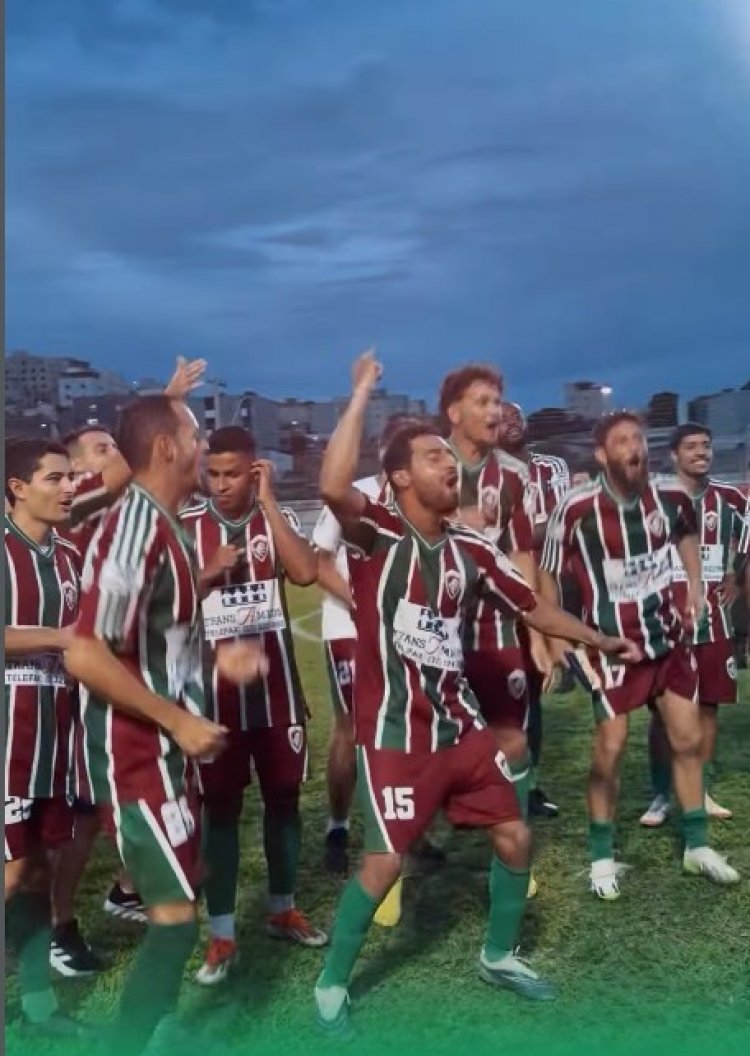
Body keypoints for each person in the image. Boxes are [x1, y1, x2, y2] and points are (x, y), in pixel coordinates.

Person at [313, 353, 641, 1036]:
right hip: (398, 735)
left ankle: (497, 955)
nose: (447, 465)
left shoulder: (472, 551)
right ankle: (331, 987)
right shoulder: (377, 536)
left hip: (460, 729)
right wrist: (362, 393)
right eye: (432, 456)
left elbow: (534, 609)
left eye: (447, 457)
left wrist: (595, 639)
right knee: (381, 864)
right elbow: (333, 482)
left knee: (515, 835)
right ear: (401, 478)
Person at [65, 395, 265, 1055]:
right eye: (196, 435)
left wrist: (214, 656)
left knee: (187, 892)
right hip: (133, 756)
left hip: (167, 754)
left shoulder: (172, 531)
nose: (205, 448)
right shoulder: (135, 530)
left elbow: (151, 644)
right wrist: (178, 718)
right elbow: (87, 651)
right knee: (177, 921)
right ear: (166, 448)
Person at [50, 358, 210, 976]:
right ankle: (60, 928)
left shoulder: (146, 519)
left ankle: (118, 893)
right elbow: (87, 650)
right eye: (95, 451)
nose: (107, 459)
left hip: (133, 710)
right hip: (103, 716)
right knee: (63, 824)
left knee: (98, 822)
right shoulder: (113, 522)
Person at [539, 412, 741, 899]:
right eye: (621, 441)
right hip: (612, 647)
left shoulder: (671, 495)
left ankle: (696, 846)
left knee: (688, 739)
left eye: (638, 438)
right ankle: (602, 857)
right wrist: (553, 636)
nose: (634, 447)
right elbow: (546, 568)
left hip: (667, 640)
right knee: (609, 752)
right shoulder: (577, 507)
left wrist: (693, 585)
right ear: (604, 456)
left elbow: (687, 533)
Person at [181, 426, 327, 987]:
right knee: (219, 812)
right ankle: (221, 934)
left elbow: (306, 573)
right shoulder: (188, 527)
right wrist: (207, 574)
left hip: (278, 695)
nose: (220, 485)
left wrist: (269, 504)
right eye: (212, 474)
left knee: (284, 800)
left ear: (255, 470)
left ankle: (282, 907)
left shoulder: (273, 518)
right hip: (214, 701)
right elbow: (166, 600)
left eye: (232, 474)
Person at [439, 365, 548, 894]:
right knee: (420, 748)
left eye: (498, 401)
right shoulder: (423, 463)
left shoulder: (510, 476)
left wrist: (540, 633)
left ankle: (512, 852)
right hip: (431, 631)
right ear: (454, 412)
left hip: (494, 628)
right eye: (482, 401)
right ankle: (402, 851)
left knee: (514, 740)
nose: (495, 411)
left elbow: (523, 552)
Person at [312, 414, 421, 876]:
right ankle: (338, 826)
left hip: (407, 632)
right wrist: (363, 603)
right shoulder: (351, 493)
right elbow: (319, 562)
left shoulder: (424, 502)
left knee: (411, 723)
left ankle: (407, 827)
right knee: (352, 727)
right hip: (350, 630)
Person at [5, 438, 85, 1038]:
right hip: (8, 741)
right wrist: (62, 637)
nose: (68, 487)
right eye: (55, 478)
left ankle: (37, 1007)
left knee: (36, 872)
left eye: (70, 478)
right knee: (9, 877)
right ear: (17, 487)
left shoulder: (68, 555)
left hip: (56, 740)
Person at [641, 424, 749, 826]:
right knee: (661, 713)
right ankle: (661, 794)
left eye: (706, 445)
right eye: (691, 447)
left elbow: (745, 545)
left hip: (715, 623)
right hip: (667, 623)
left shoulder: (731, 499)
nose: (701, 452)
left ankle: (698, 791)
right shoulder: (654, 499)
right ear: (674, 455)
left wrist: (737, 578)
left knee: (708, 708)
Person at [498, 400, 571, 817]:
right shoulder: (484, 473)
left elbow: (558, 523)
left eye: (515, 416)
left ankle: (530, 784)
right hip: (493, 593)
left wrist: (514, 533)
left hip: (539, 583)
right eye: (501, 417)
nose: (510, 422)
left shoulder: (550, 467)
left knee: (531, 690)